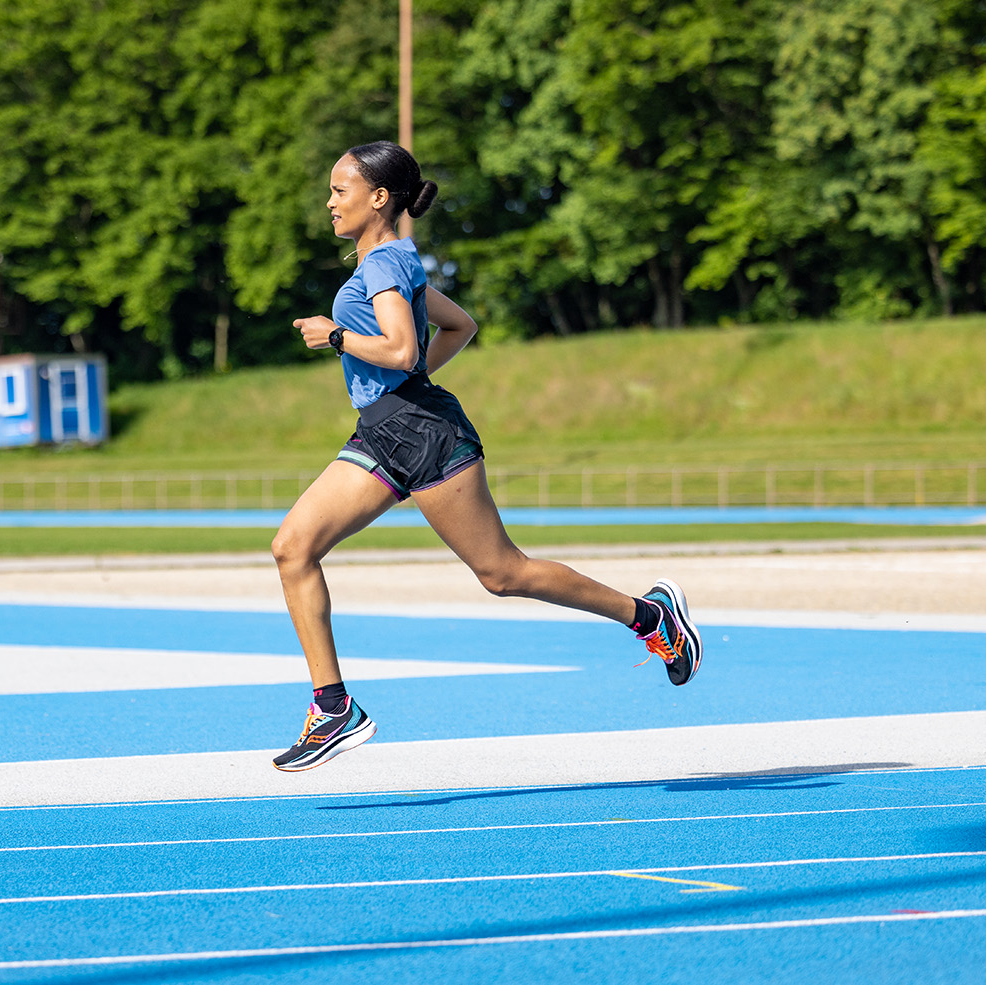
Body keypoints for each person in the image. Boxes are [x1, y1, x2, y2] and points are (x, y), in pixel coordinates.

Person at [270, 140, 702, 772]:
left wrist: (335, 335)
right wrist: (409, 378)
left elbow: (395, 349)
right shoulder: (387, 265)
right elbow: (458, 327)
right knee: (293, 547)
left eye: (341, 190)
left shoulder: (386, 265)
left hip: (423, 435)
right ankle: (333, 707)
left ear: (378, 197)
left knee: (503, 574)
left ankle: (649, 616)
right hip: (386, 430)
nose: (331, 202)